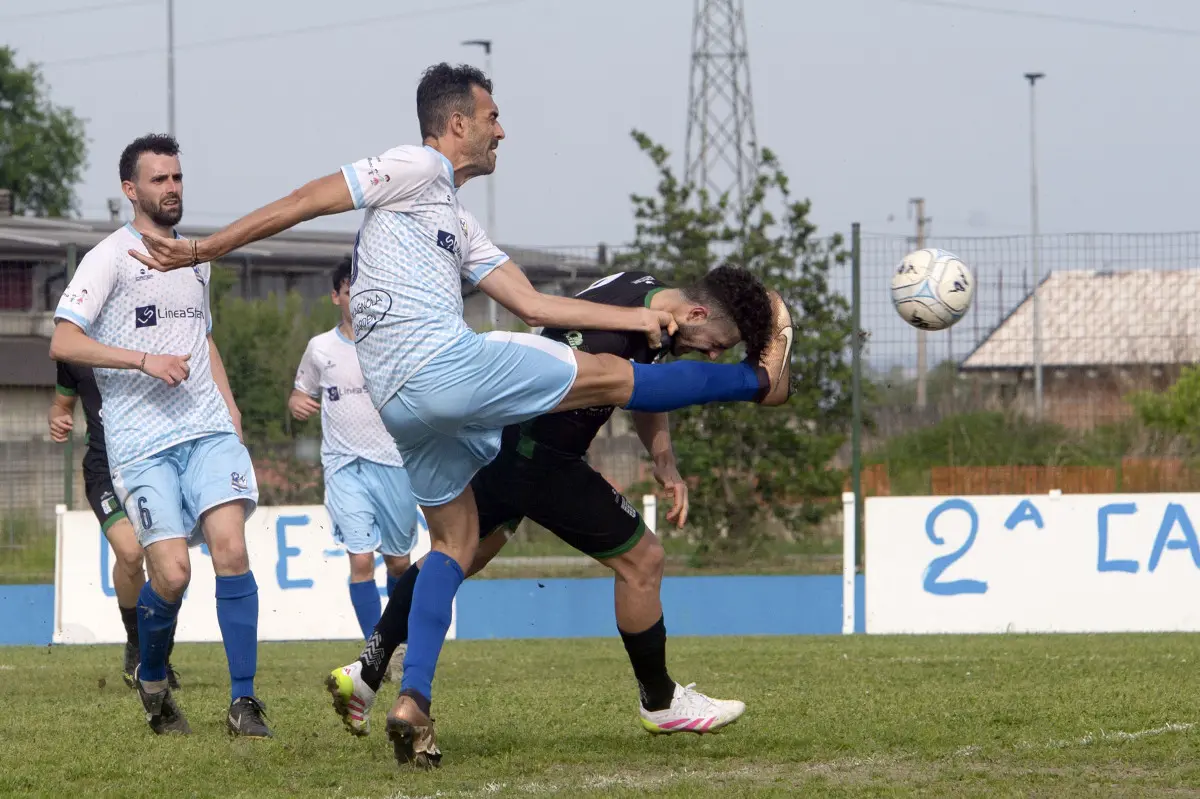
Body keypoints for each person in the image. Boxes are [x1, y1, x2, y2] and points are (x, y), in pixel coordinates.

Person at [127, 63, 794, 767]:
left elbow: (535, 306)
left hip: (403, 408)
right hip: (442, 366)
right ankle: (760, 382)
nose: (501, 128)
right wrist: (204, 248)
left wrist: (637, 314)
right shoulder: (415, 166)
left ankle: (410, 700)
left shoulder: (458, 221)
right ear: (455, 125)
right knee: (608, 378)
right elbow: (309, 198)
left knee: (455, 543)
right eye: (492, 115)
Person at [327, 266, 770, 739]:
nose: (717, 354)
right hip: (543, 461)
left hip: (508, 447)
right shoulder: (613, 338)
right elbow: (626, 381)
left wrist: (664, 459)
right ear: (698, 312)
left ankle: (367, 671)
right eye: (719, 342)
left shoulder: (644, 296)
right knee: (644, 561)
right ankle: (660, 701)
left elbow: (645, 383)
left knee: (458, 556)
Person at [49, 133, 270, 739]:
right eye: (158, 180)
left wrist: (230, 408)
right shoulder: (110, 257)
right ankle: (151, 680)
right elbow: (63, 341)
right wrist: (143, 359)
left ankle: (244, 703)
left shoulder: (196, 258)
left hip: (206, 429)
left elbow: (203, 340)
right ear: (131, 190)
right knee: (170, 574)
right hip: (140, 442)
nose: (172, 188)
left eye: (176, 177)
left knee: (231, 549)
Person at [289, 257, 417, 658]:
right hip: (344, 467)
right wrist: (296, 404)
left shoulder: (392, 343)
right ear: (335, 297)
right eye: (349, 291)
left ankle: (401, 641)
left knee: (398, 564)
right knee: (360, 561)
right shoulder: (320, 349)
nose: (356, 298)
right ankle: (378, 650)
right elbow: (300, 392)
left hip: (393, 465)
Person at [49, 362, 181, 690]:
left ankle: (160, 655)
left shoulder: (144, 344)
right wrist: (57, 418)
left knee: (166, 564)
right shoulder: (74, 353)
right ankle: (137, 644)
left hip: (152, 465)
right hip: (103, 472)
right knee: (131, 553)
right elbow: (61, 404)